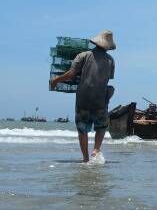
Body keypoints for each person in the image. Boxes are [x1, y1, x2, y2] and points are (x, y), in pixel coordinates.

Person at [49, 30, 116, 163]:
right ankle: (96, 150)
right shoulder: (110, 60)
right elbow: (107, 79)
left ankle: (85, 158)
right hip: (100, 99)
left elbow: (71, 74)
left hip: (83, 99)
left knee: (82, 128)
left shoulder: (83, 55)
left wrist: (56, 80)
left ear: (95, 42)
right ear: (108, 46)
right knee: (101, 126)